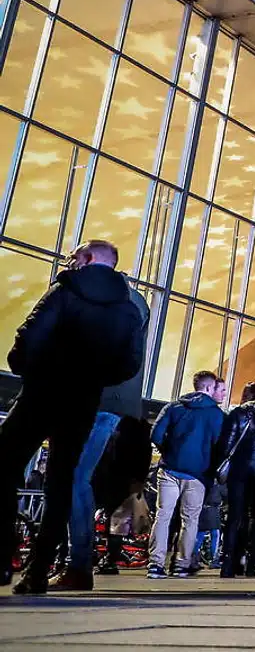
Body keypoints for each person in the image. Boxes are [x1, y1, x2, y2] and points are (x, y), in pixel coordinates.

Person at [0, 240, 148, 594]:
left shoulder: (65, 289)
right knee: (62, 481)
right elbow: (130, 362)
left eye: (75, 256)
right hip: (84, 399)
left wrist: (24, 366)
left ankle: (3, 558)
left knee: (5, 462)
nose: (70, 260)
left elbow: (31, 332)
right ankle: (37, 571)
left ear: (89, 259)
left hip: (43, 391)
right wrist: (96, 379)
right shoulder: (129, 308)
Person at [148, 371, 227, 579]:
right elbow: (221, 447)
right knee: (189, 520)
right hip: (197, 476)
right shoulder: (217, 415)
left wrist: (169, 451)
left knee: (163, 516)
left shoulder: (173, 407)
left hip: (169, 470)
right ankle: (181, 565)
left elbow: (155, 434)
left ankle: (155, 564)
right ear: (209, 388)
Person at [217, 381, 255, 577]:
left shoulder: (236, 413)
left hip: (239, 469)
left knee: (235, 515)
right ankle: (250, 563)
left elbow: (227, 444)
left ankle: (229, 564)